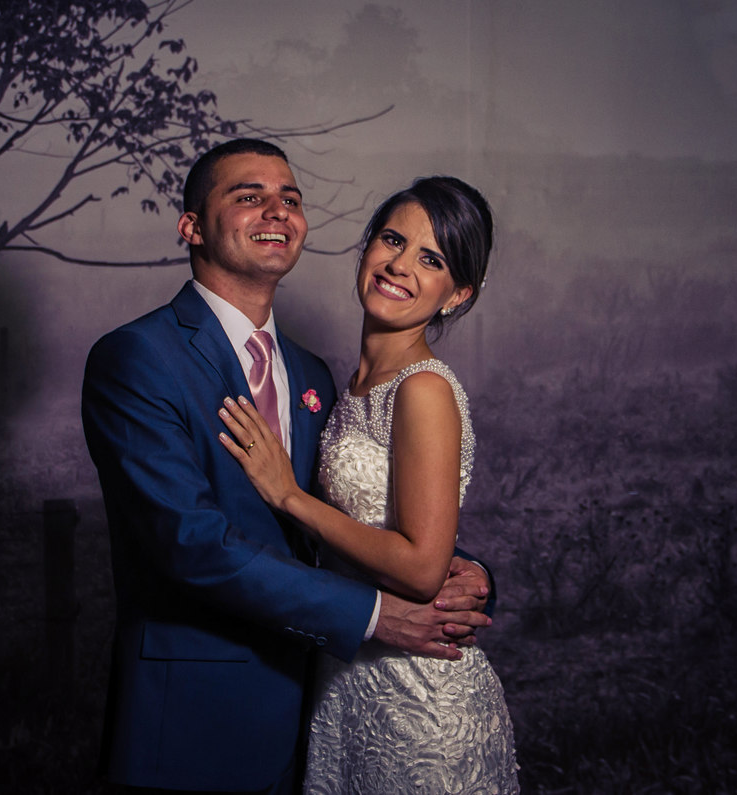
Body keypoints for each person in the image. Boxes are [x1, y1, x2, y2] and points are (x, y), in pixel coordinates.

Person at [81, 140, 494, 794]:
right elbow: (191, 545)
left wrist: (461, 570)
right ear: (190, 225)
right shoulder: (136, 358)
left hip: (316, 712)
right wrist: (373, 614)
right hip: (197, 724)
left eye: (292, 199)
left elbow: (342, 514)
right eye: (249, 195)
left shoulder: (311, 375)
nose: (277, 210)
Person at [217, 176, 518, 793]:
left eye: (431, 260)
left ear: (456, 294)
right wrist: (465, 562)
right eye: (392, 239)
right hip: (345, 683)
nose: (399, 265)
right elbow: (381, 526)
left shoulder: (424, 389)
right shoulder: (340, 390)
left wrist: (288, 496)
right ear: (366, 248)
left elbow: (419, 570)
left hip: (419, 706)